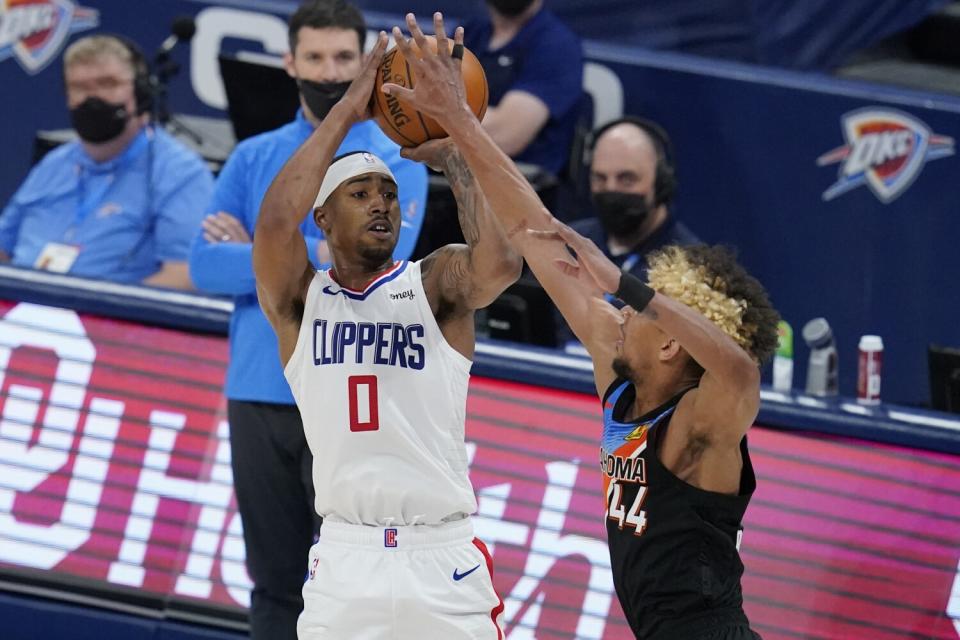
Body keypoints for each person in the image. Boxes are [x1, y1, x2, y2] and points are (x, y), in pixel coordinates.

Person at [382, 13, 780, 639]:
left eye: (639, 315)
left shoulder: (704, 426)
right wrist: (463, 131)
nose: (619, 316)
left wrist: (627, 285)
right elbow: (530, 228)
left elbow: (741, 369)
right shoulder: (620, 378)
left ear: (674, 342)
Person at [253, 24, 520, 638]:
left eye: (391, 194)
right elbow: (272, 223)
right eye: (360, 193)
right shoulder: (301, 300)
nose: (381, 204)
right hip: (348, 557)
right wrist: (352, 104)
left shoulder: (434, 282)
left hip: (441, 556)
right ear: (321, 216)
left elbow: (501, 265)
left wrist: (460, 149)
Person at [187, 2, 427, 638]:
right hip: (258, 395)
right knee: (273, 587)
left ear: (367, 65)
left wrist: (266, 245)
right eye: (315, 57)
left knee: (348, 596)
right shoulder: (252, 155)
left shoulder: (397, 161)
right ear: (289, 62)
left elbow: (377, 263)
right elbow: (203, 267)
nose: (329, 71)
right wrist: (315, 248)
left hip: (346, 400)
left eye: (344, 58)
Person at [0, 35, 211, 289]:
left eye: (107, 84)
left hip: (109, 321)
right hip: (19, 315)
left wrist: (100, 311)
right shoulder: (53, 165)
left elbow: (186, 275)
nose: (93, 98)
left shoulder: (179, 173)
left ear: (140, 91)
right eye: (80, 87)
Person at [461, 0, 583, 176]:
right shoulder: (471, 32)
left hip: (519, 189)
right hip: (452, 177)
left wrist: (440, 111)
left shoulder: (557, 46)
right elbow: (419, 102)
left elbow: (505, 136)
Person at [572, 117, 698, 282]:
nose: (611, 189)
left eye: (627, 179)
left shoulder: (690, 270)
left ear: (661, 183)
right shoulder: (568, 244)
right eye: (600, 178)